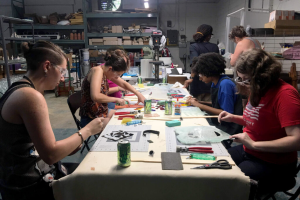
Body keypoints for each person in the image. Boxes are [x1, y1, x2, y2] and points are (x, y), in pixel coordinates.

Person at [0, 41, 104, 200]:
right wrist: (88, 130)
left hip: (18, 178)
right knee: (97, 183)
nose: (63, 78)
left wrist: (69, 146)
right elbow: (50, 154)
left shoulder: (19, 88)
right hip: (27, 187)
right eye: (62, 71)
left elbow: (35, 146)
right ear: (47, 66)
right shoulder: (30, 96)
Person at [218, 49, 300, 183]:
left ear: (263, 76)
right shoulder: (258, 88)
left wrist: (254, 144)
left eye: (247, 79)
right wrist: (233, 117)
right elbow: (256, 120)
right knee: (216, 166)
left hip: (273, 163)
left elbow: (297, 140)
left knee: (231, 182)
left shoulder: (285, 95)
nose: (244, 83)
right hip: (250, 150)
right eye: (241, 79)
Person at [79, 49, 146, 128]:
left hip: (101, 111)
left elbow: (123, 83)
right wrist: (116, 99)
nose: (117, 78)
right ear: (110, 69)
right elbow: (95, 96)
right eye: (117, 74)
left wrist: (138, 94)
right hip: (90, 117)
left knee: (128, 114)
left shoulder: (106, 72)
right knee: (119, 125)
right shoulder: (97, 71)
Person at [186, 53, 243, 135]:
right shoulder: (215, 82)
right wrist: (199, 102)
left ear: (209, 71)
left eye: (201, 74)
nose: (200, 78)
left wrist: (200, 106)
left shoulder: (225, 84)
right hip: (219, 122)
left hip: (228, 128)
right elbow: (218, 104)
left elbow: (226, 113)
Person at [184, 24, 219, 102]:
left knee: (196, 108)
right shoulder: (215, 47)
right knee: (210, 108)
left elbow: (194, 63)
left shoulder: (194, 46)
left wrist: (191, 79)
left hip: (197, 85)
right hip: (211, 84)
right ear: (209, 36)